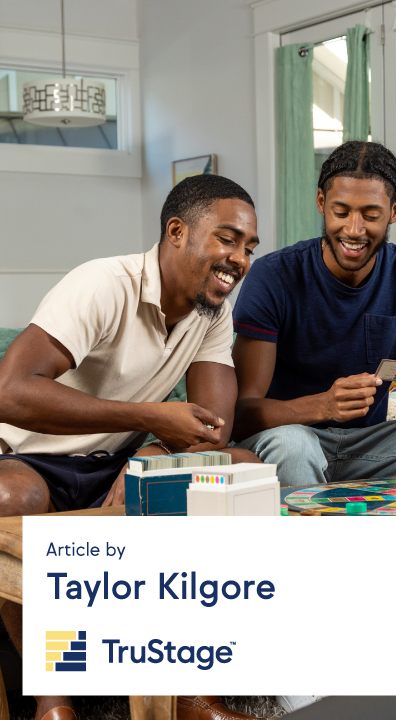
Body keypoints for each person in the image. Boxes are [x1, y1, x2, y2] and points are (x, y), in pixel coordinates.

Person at [0, 174, 260, 720]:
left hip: (117, 458)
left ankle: (191, 694)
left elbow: (213, 430)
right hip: (29, 458)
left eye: (249, 247)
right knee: (9, 500)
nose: (239, 259)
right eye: (228, 239)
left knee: (238, 470)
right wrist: (148, 419)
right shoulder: (103, 283)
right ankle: (54, 703)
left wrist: (153, 454)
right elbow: (10, 392)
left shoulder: (211, 311)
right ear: (176, 231)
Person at [231, 140, 396, 489]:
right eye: (341, 212)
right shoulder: (272, 276)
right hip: (287, 437)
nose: (354, 230)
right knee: (294, 446)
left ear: (395, 210)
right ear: (321, 203)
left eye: (370, 216)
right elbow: (240, 415)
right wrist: (322, 407)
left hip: (368, 445)